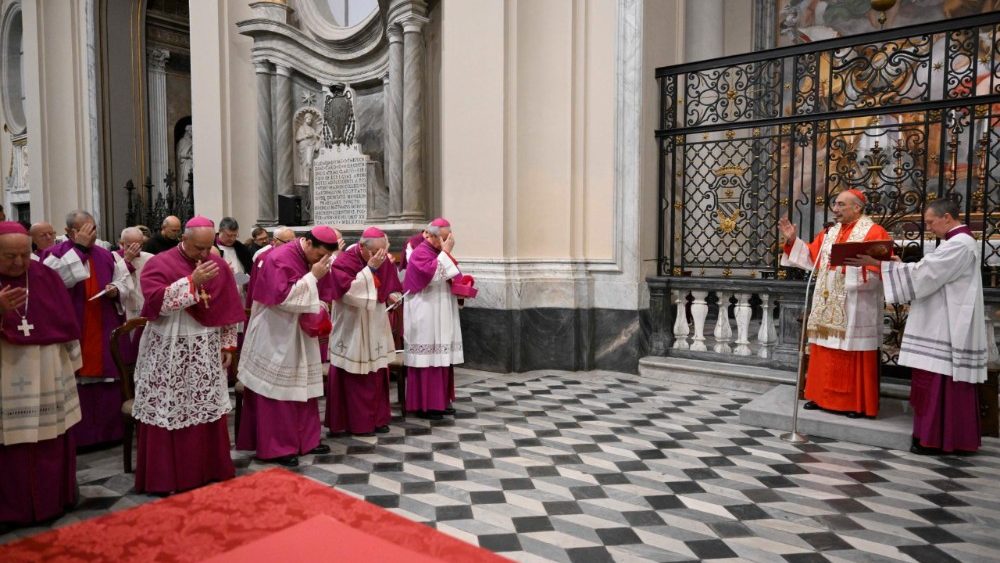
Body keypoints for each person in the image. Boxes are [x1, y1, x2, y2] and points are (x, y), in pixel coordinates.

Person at [850, 198, 987, 454]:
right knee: (932, 381)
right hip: (940, 321)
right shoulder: (956, 242)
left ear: (947, 217)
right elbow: (928, 271)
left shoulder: (960, 243)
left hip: (946, 326)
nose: (929, 227)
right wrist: (896, 266)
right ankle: (931, 436)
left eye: (931, 222)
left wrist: (879, 265)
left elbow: (925, 275)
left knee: (939, 382)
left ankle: (937, 440)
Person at [131, 216, 244, 494]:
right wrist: (192, 282)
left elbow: (228, 308)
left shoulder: (217, 264)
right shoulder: (160, 263)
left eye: (208, 247)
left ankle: (209, 469)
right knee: (170, 404)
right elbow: (156, 304)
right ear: (183, 239)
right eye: (198, 248)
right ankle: (167, 477)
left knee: (204, 404)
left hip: (206, 347)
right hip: (169, 348)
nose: (204, 254)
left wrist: (228, 345)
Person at [779, 189, 890, 419]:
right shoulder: (829, 233)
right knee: (823, 346)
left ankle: (854, 403)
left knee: (851, 350)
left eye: (841, 205)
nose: (835, 209)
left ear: (857, 207)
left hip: (855, 304)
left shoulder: (874, 232)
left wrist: (855, 268)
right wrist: (791, 240)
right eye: (835, 204)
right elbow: (811, 257)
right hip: (827, 299)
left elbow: (881, 268)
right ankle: (820, 397)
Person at [0, 222, 82, 525]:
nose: (19, 262)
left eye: (24, 254)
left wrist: (72, 363)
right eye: (10, 256)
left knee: (49, 438)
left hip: (48, 372)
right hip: (6, 375)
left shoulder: (45, 276)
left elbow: (66, 323)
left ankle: (54, 500)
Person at [236, 226, 339, 467]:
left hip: (299, 333)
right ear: (308, 243)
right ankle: (277, 447)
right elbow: (282, 299)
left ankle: (307, 440)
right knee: (277, 390)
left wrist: (319, 294)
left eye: (326, 256)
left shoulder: (313, 258)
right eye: (319, 255)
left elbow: (322, 290)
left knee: (303, 387)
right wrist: (313, 277)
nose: (321, 260)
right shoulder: (279, 258)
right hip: (276, 332)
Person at [40, 210, 126, 448]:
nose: (90, 234)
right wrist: (79, 249)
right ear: (69, 232)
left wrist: (116, 290)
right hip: (74, 326)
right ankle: (80, 439)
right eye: (83, 230)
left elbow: (123, 282)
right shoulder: (54, 254)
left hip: (103, 322)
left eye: (93, 229)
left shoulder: (106, 255)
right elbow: (53, 282)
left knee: (107, 381)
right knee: (75, 380)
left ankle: (111, 435)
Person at [326, 227, 401, 436]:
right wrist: (370, 270)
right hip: (352, 322)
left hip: (375, 320)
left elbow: (389, 285)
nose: (380, 256)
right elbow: (349, 293)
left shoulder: (382, 258)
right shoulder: (343, 262)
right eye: (375, 252)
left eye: (383, 251)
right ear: (361, 247)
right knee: (354, 375)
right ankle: (354, 423)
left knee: (376, 371)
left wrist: (391, 295)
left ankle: (378, 418)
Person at [403, 218, 464, 420]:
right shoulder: (420, 252)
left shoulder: (439, 253)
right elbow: (432, 276)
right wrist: (446, 252)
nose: (447, 241)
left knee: (441, 356)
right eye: (444, 238)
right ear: (433, 236)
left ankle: (440, 401)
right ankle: (425, 405)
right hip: (425, 311)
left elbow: (450, 275)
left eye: (449, 237)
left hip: (441, 309)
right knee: (427, 358)